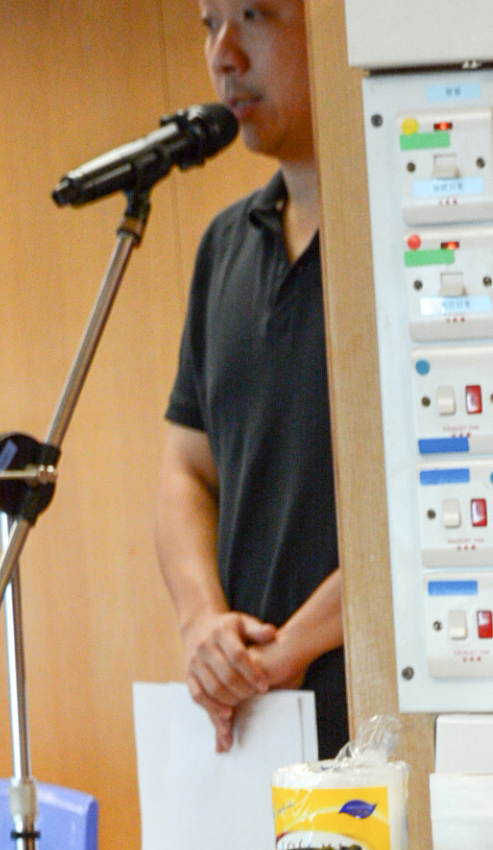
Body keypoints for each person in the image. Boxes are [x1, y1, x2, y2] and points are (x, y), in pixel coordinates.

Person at [155, 0, 346, 756]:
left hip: (384, 712)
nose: (223, 54)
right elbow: (186, 469)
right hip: (253, 729)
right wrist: (202, 623)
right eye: (209, 24)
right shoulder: (225, 246)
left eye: (254, 15)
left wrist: (292, 648)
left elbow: (445, 501)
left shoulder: (415, 235)